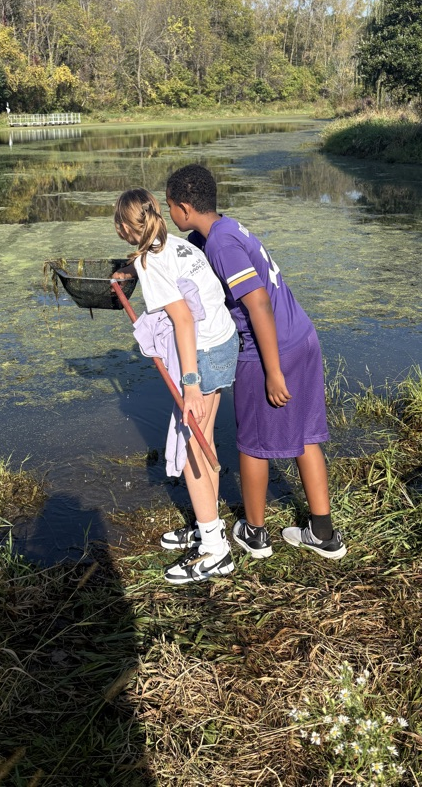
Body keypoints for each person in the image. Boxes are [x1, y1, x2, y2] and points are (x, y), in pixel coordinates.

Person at [164, 164, 346, 561]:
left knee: (252, 444)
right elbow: (183, 252)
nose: (168, 216)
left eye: (169, 209)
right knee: (306, 435)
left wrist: (273, 371)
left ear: (182, 208)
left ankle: (255, 533)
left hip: (269, 350)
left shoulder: (222, 246)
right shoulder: (221, 229)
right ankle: (322, 532)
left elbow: (258, 302)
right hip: (302, 337)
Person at [113, 188, 240, 584]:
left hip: (201, 355)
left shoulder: (153, 262)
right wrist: (131, 270)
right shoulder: (178, 246)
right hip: (223, 343)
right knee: (203, 440)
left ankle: (215, 551)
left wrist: (190, 384)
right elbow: (167, 271)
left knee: (196, 448)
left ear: (124, 226)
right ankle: (208, 525)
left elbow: (182, 320)